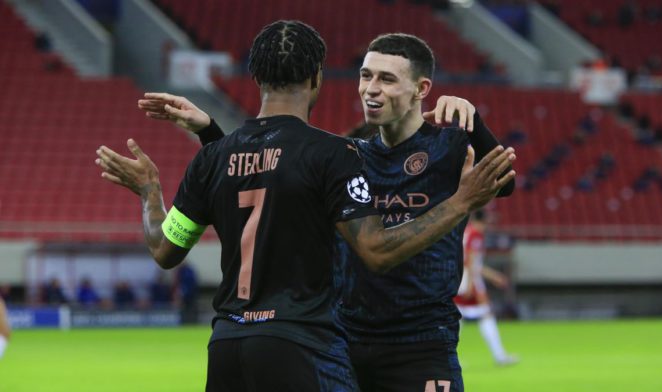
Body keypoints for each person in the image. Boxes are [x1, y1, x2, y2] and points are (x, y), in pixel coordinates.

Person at [96, 20, 515, 391]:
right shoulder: (338, 154)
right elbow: (298, 183)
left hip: (251, 345)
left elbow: (173, 242)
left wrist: (158, 186)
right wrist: (463, 202)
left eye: (386, 79)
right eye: (365, 75)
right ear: (317, 78)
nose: (371, 88)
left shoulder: (216, 160)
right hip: (323, 343)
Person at [454, 209, 518, 366]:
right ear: (482, 221)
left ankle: (450, 358)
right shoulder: (475, 235)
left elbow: (473, 263)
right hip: (469, 281)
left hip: (461, 279)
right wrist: (470, 285)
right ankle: (500, 356)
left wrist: (493, 276)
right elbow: (470, 262)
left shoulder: (467, 233)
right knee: (485, 315)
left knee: (457, 319)